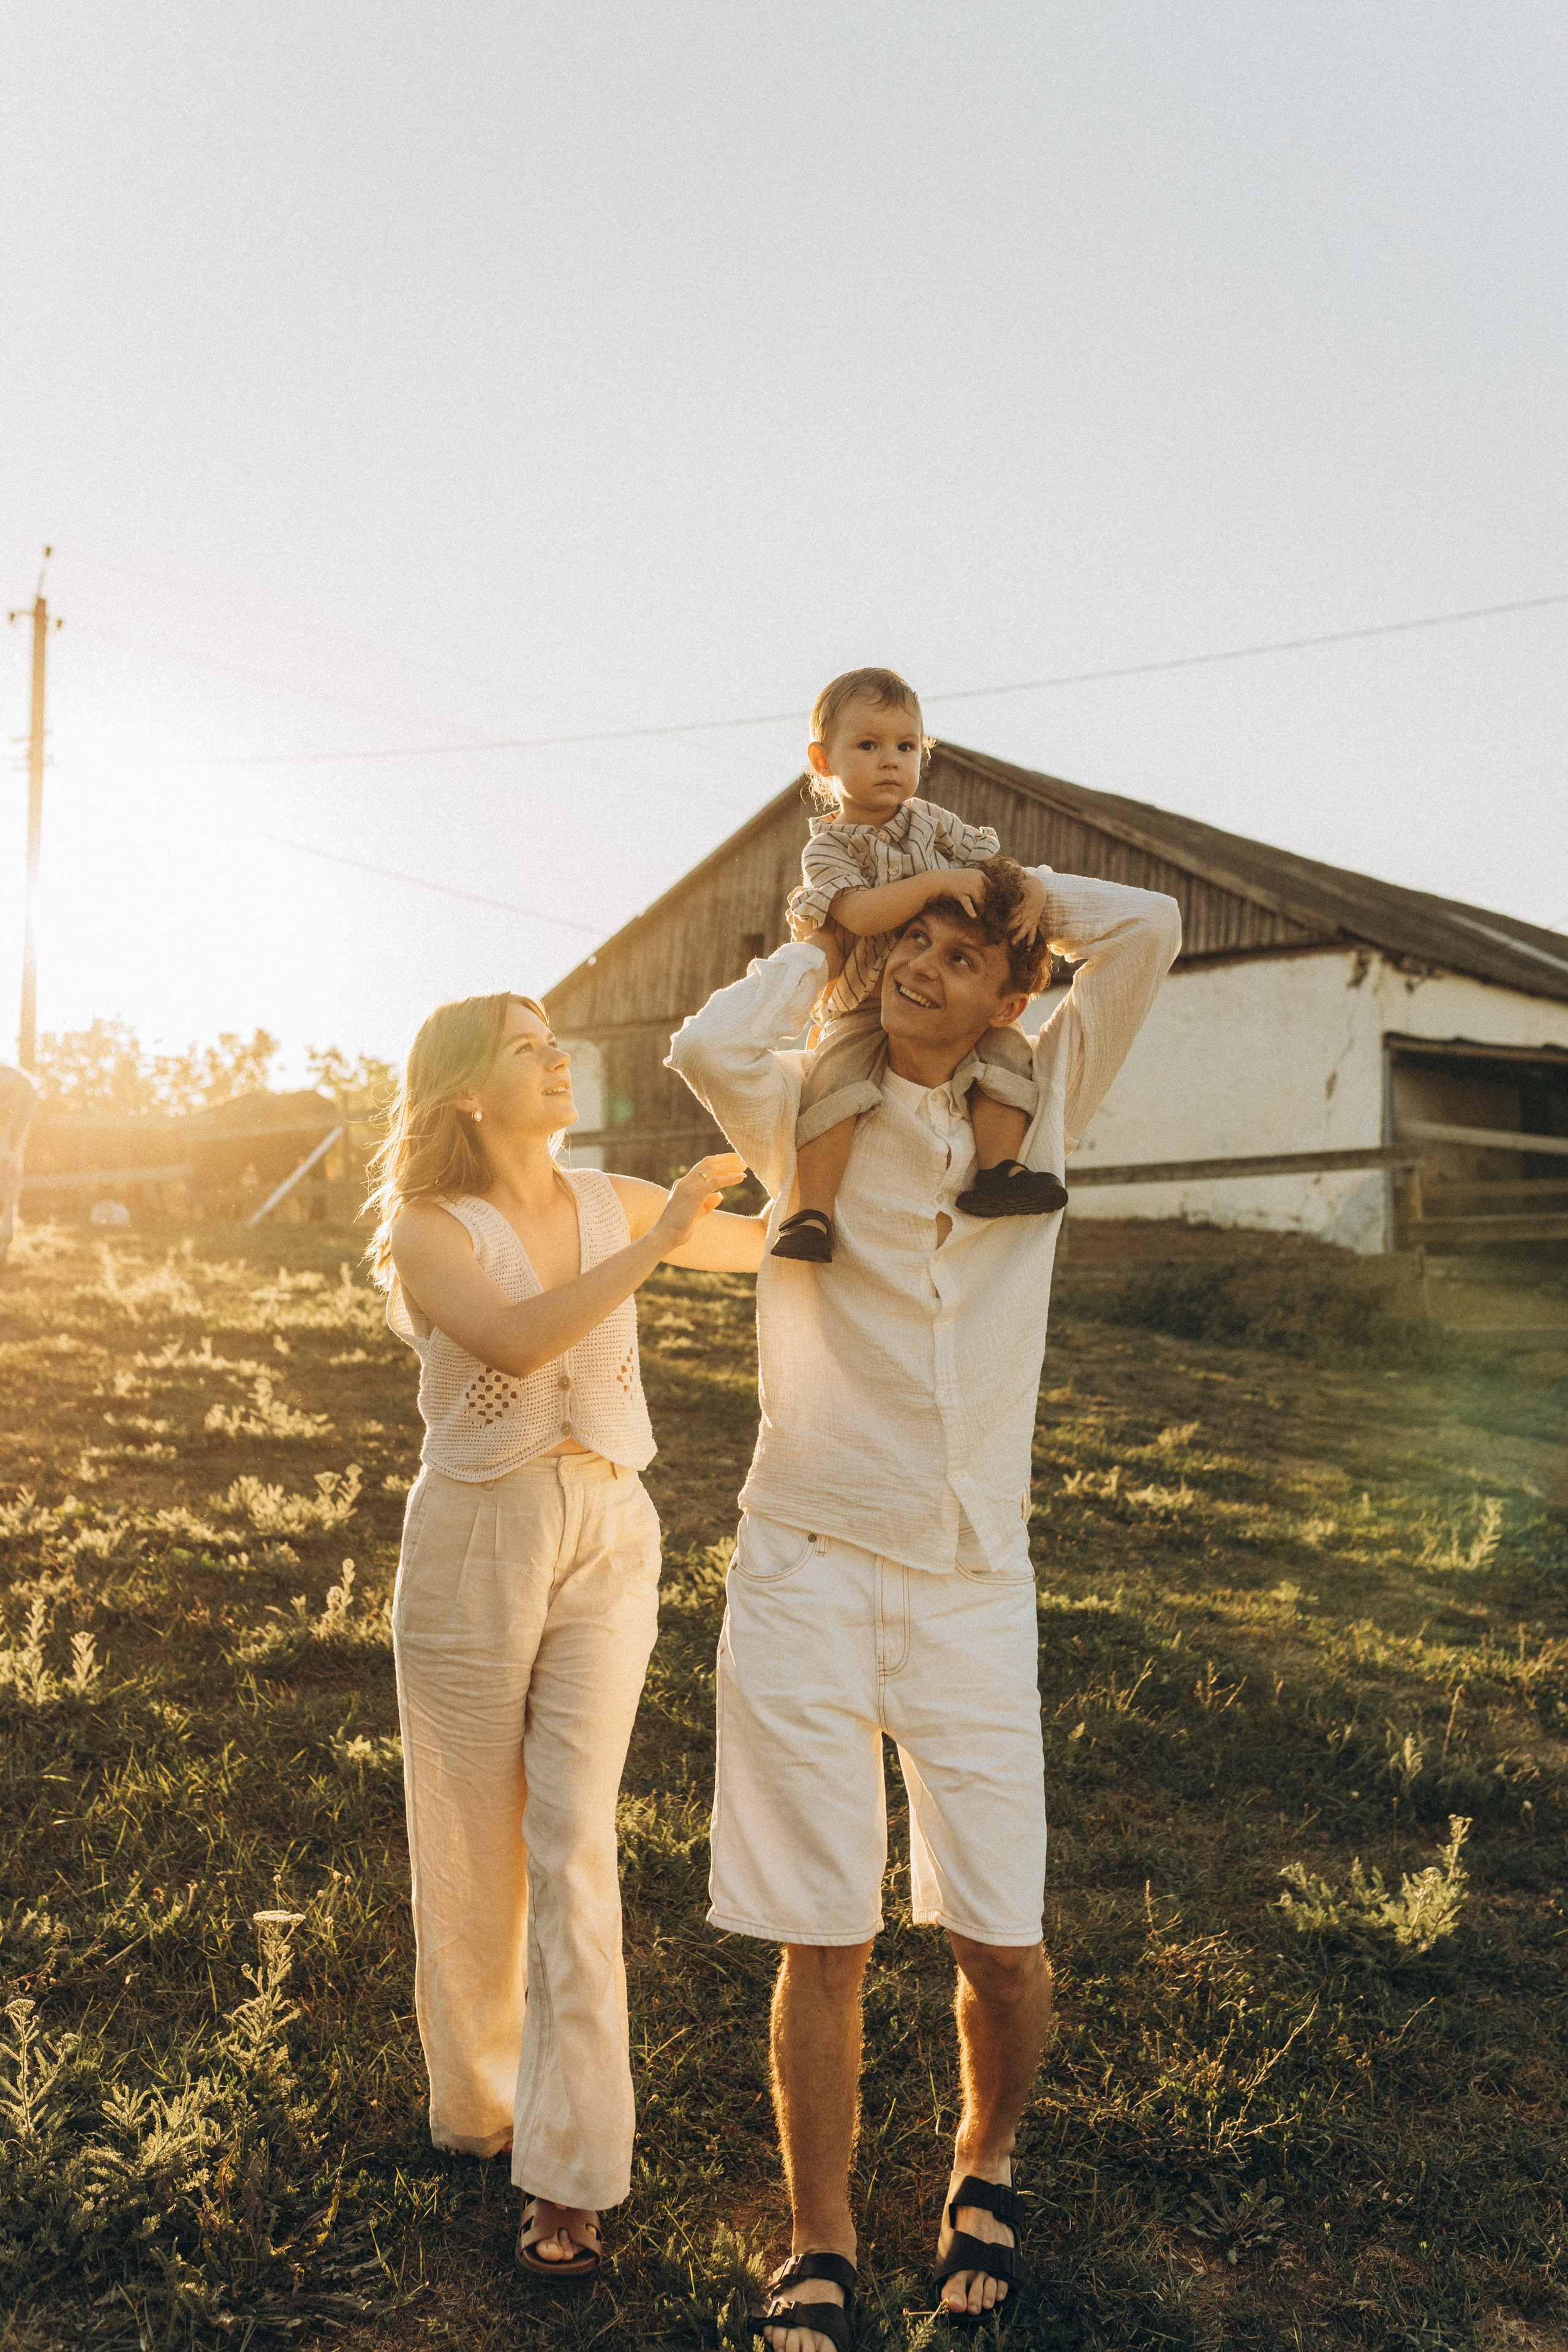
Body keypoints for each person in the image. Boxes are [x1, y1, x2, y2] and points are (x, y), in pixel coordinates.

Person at [668, 860, 1180, 2343]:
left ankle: (982, 2159)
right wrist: (848, 924)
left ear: (1012, 995)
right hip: (806, 1557)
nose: (924, 965)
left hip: (970, 1574)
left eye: (959, 957)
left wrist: (987, 881)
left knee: (998, 1939)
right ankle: (818, 2242)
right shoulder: (801, 1101)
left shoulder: (1049, 1084)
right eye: (915, 946)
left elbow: (1142, 927)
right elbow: (700, 1050)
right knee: (819, 1929)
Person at [366, 990, 764, 2282]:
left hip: (609, 1529)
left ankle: (569, 2175)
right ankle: (478, 2105)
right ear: (466, 1090)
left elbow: (769, 1249)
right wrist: (662, 1241)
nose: (557, 1061)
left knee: (573, 1840)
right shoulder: (427, 1231)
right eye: (528, 1050)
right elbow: (524, 1335)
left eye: (556, 1044)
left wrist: (882, 1150)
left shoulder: (618, 1197)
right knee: (473, 1855)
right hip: (474, 1541)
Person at [774, 666, 1066, 1265]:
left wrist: (1032, 888)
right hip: (861, 1004)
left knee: (1009, 1054)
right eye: (868, 745)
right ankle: (812, 1214)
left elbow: (993, 863)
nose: (890, 761)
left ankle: (999, 1173)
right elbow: (856, 914)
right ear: (822, 761)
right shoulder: (827, 847)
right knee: (832, 1083)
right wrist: (933, 880)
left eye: (905, 747)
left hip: (942, 999)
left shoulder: (930, 821)